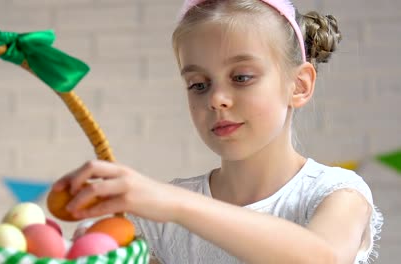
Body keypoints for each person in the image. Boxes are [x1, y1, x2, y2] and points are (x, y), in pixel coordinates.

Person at [52, 0, 383, 263]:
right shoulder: (159, 221)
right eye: (198, 84)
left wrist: (174, 204)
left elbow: (321, 258)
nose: (216, 99)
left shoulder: (337, 194)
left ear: (298, 85)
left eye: (241, 77)